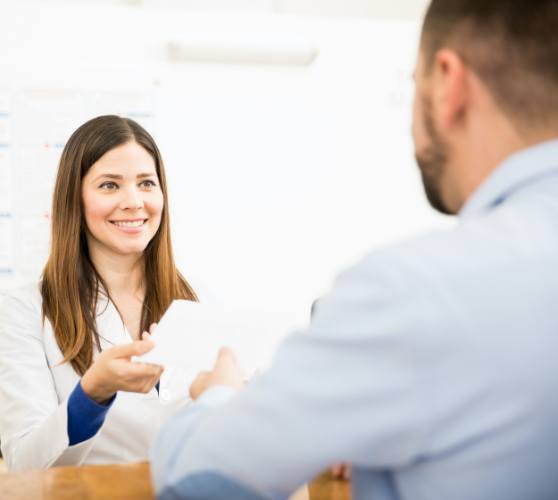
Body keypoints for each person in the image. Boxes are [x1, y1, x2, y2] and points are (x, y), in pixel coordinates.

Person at [150, 0, 558, 499]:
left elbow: (196, 479)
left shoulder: (412, 290)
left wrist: (219, 396)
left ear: (448, 83)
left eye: (414, 87)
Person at [0, 115, 197, 470]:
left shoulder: (190, 300)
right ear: (74, 198)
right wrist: (91, 394)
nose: (134, 201)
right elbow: (24, 467)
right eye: (109, 185)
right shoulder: (21, 310)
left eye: (146, 183)